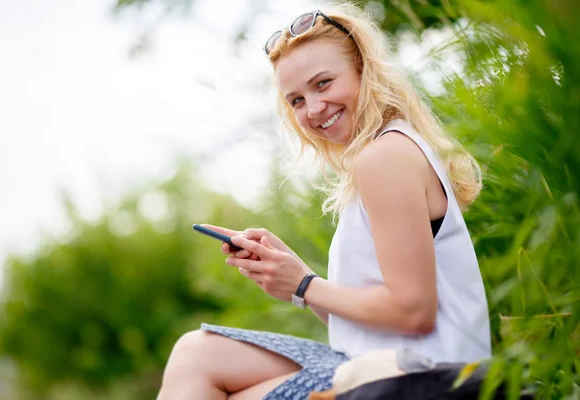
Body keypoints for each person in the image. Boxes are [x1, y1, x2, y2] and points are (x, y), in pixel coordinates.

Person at [158, 4, 491, 399]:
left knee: (212, 372)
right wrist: (297, 283)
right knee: (196, 354)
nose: (313, 109)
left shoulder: (384, 158)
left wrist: (305, 283)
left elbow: (413, 313)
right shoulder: (386, 154)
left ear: (363, 70)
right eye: (296, 100)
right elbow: (369, 327)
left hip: (426, 376)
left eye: (323, 84)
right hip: (387, 362)